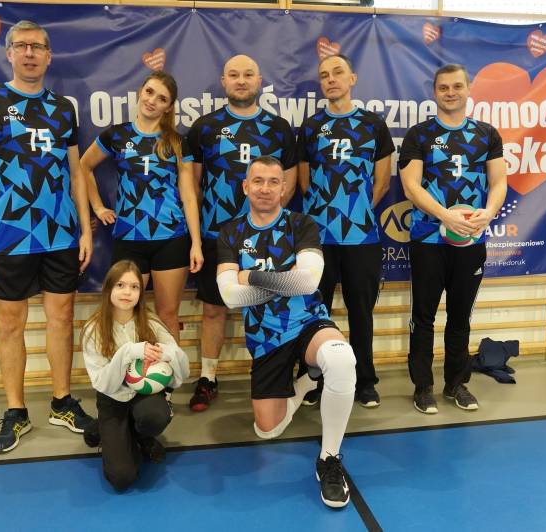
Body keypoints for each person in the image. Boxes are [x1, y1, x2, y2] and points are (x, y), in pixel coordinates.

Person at [0, 20, 94, 453]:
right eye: (21, 46)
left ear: (49, 56)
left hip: (60, 233)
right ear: (9, 53)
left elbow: (76, 172)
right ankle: (16, 411)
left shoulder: (63, 108)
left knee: (62, 318)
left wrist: (85, 229)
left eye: (38, 46)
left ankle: (62, 402)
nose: (30, 53)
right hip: (8, 234)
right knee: (9, 323)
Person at [216, 156, 356, 508]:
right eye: (258, 181)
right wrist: (284, 280)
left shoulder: (302, 224)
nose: (265, 188)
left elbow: (308, 282)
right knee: (268, 429)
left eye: (273, 182)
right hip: (266, 338)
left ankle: (329, 459)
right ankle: (307, 381)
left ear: (284, 188)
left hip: (308, 322)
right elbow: (230, 296)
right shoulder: (230, 232)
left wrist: (251, 276)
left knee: (341, 359)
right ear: (245, 187)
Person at [186, 55, 297, 412]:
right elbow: (194, 184)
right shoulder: (204, 127)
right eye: (234, 75)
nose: (241, 80)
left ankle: (271, 379)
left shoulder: (279, 128)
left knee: (270, 307)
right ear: (224, 81)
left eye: (248, 74)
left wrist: (265, 222)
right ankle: (208, 378)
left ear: (259, 80)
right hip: (218, 236)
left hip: (268, 238)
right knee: (214, 309)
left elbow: (289, 182)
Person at [398, 64, 507, 414]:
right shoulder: (419, 135)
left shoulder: (486, 134)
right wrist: (445, 216)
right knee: (423, 317)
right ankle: (423, 387)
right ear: (434, 92)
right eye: (443, 87)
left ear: (468, 88)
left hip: (470, 242)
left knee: (460, 317)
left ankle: (456, 384)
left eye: (457, 86)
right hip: (428, 241)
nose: (450, 93)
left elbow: (499, 182)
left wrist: (489, 212)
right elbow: (411, 186)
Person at [297, 54, 395, 408]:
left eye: (337, 72)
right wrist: (326, 215)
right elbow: (304, 182)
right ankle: (314, 379)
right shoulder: (311, 127)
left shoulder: (373, 125)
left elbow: (382, 183)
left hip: (361, 237)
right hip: (318, 239)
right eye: (324, 75)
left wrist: (354, 213)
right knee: (315, 311)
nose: (331, 79)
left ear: (352, 78)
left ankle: (365, 381)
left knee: (360, 311)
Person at [80, 71, 203, 343]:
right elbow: (83, 166)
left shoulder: (177, 142)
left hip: (171, 238)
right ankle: (129, 368)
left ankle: (167, 370)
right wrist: (98, 207)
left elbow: (189, 196)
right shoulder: (117, 135)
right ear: (140, 91)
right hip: (129, 238)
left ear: (168, 107)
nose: (152, 101)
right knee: (124, 313)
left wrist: (196, 243)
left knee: (167, 314)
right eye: (149, 92)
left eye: (162, 98)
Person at [81, 260, 190, 492]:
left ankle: (141, 436)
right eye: (120, 285)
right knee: (121, 478)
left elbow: (181, 371)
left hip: (144, 395)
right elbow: (103, 383)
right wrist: (129, 352)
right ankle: (103, 427)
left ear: (141, 293)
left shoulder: (151, 323)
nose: (127, 292)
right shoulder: (93, 329)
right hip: (112, 398)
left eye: (134, 287)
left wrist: (166, 354)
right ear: (108, 288)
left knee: (155, 416)